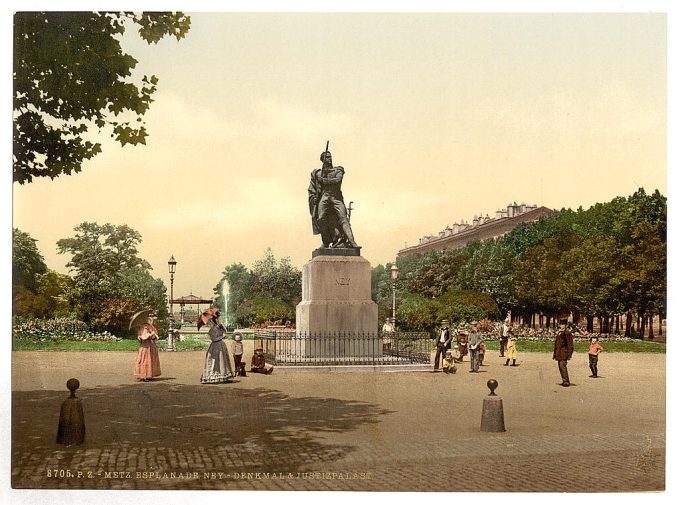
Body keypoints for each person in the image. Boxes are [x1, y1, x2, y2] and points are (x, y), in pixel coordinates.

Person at [307, 149, 359, 249]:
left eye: (330, 157)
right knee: (321, 218)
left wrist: (323, 180)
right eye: (327, 157)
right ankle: (326, 242)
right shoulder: (318, 173)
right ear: (322, 160)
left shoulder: (338, 170)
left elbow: (337, 180)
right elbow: (315, 184)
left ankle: (352, 242)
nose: (329, 159)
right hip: (325, 196)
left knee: (343, 218)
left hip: (336, 197)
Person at [200, 309, 233, 384]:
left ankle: (223, 376)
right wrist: (222, 337)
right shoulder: (213, 329)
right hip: (215, 346)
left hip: (221, 345)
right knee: (216, 362)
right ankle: (213, 377)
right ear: (216, 320)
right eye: (219, 319)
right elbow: (213, 339)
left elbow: (226, 332)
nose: (221, 320)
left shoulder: (220, 327)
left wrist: (222, 327)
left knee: (222, 361)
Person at [134, 317, 161, 381]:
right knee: (145, 359)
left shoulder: (152, 327)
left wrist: (154, 335)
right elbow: (142, 337)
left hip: (151, 345)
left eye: (151, 320)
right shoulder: (143, 327)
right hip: (145, 346)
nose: (151, 321)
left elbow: (155, 335)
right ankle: (144, 375)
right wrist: (148, 335)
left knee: (151, 359)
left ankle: (150, 374)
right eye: (149, 320)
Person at [553, 319, 574, 387]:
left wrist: (569, 355)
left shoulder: (567, 333)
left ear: (566, 326)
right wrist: (555, 354)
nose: (561, 326)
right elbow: (557, 345)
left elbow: (570, 345)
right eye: (560, 324)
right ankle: (564, 380)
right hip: (559, 353)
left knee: (562, 366)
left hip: (564, 354)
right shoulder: (559, 333)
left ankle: (566, 381)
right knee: (560, 367)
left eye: (563, 324)